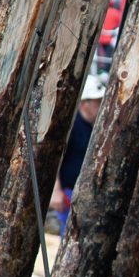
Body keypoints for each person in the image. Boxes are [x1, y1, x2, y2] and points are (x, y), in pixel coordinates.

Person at [49, 73, 106, 235]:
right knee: (71, 234)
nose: (101, 105)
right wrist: (56, 191)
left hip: (89, 191)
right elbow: (55, 160)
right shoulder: (71, 127)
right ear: (84, 104)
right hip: (69, 191)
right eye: (97, 101)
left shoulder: (99, 127)